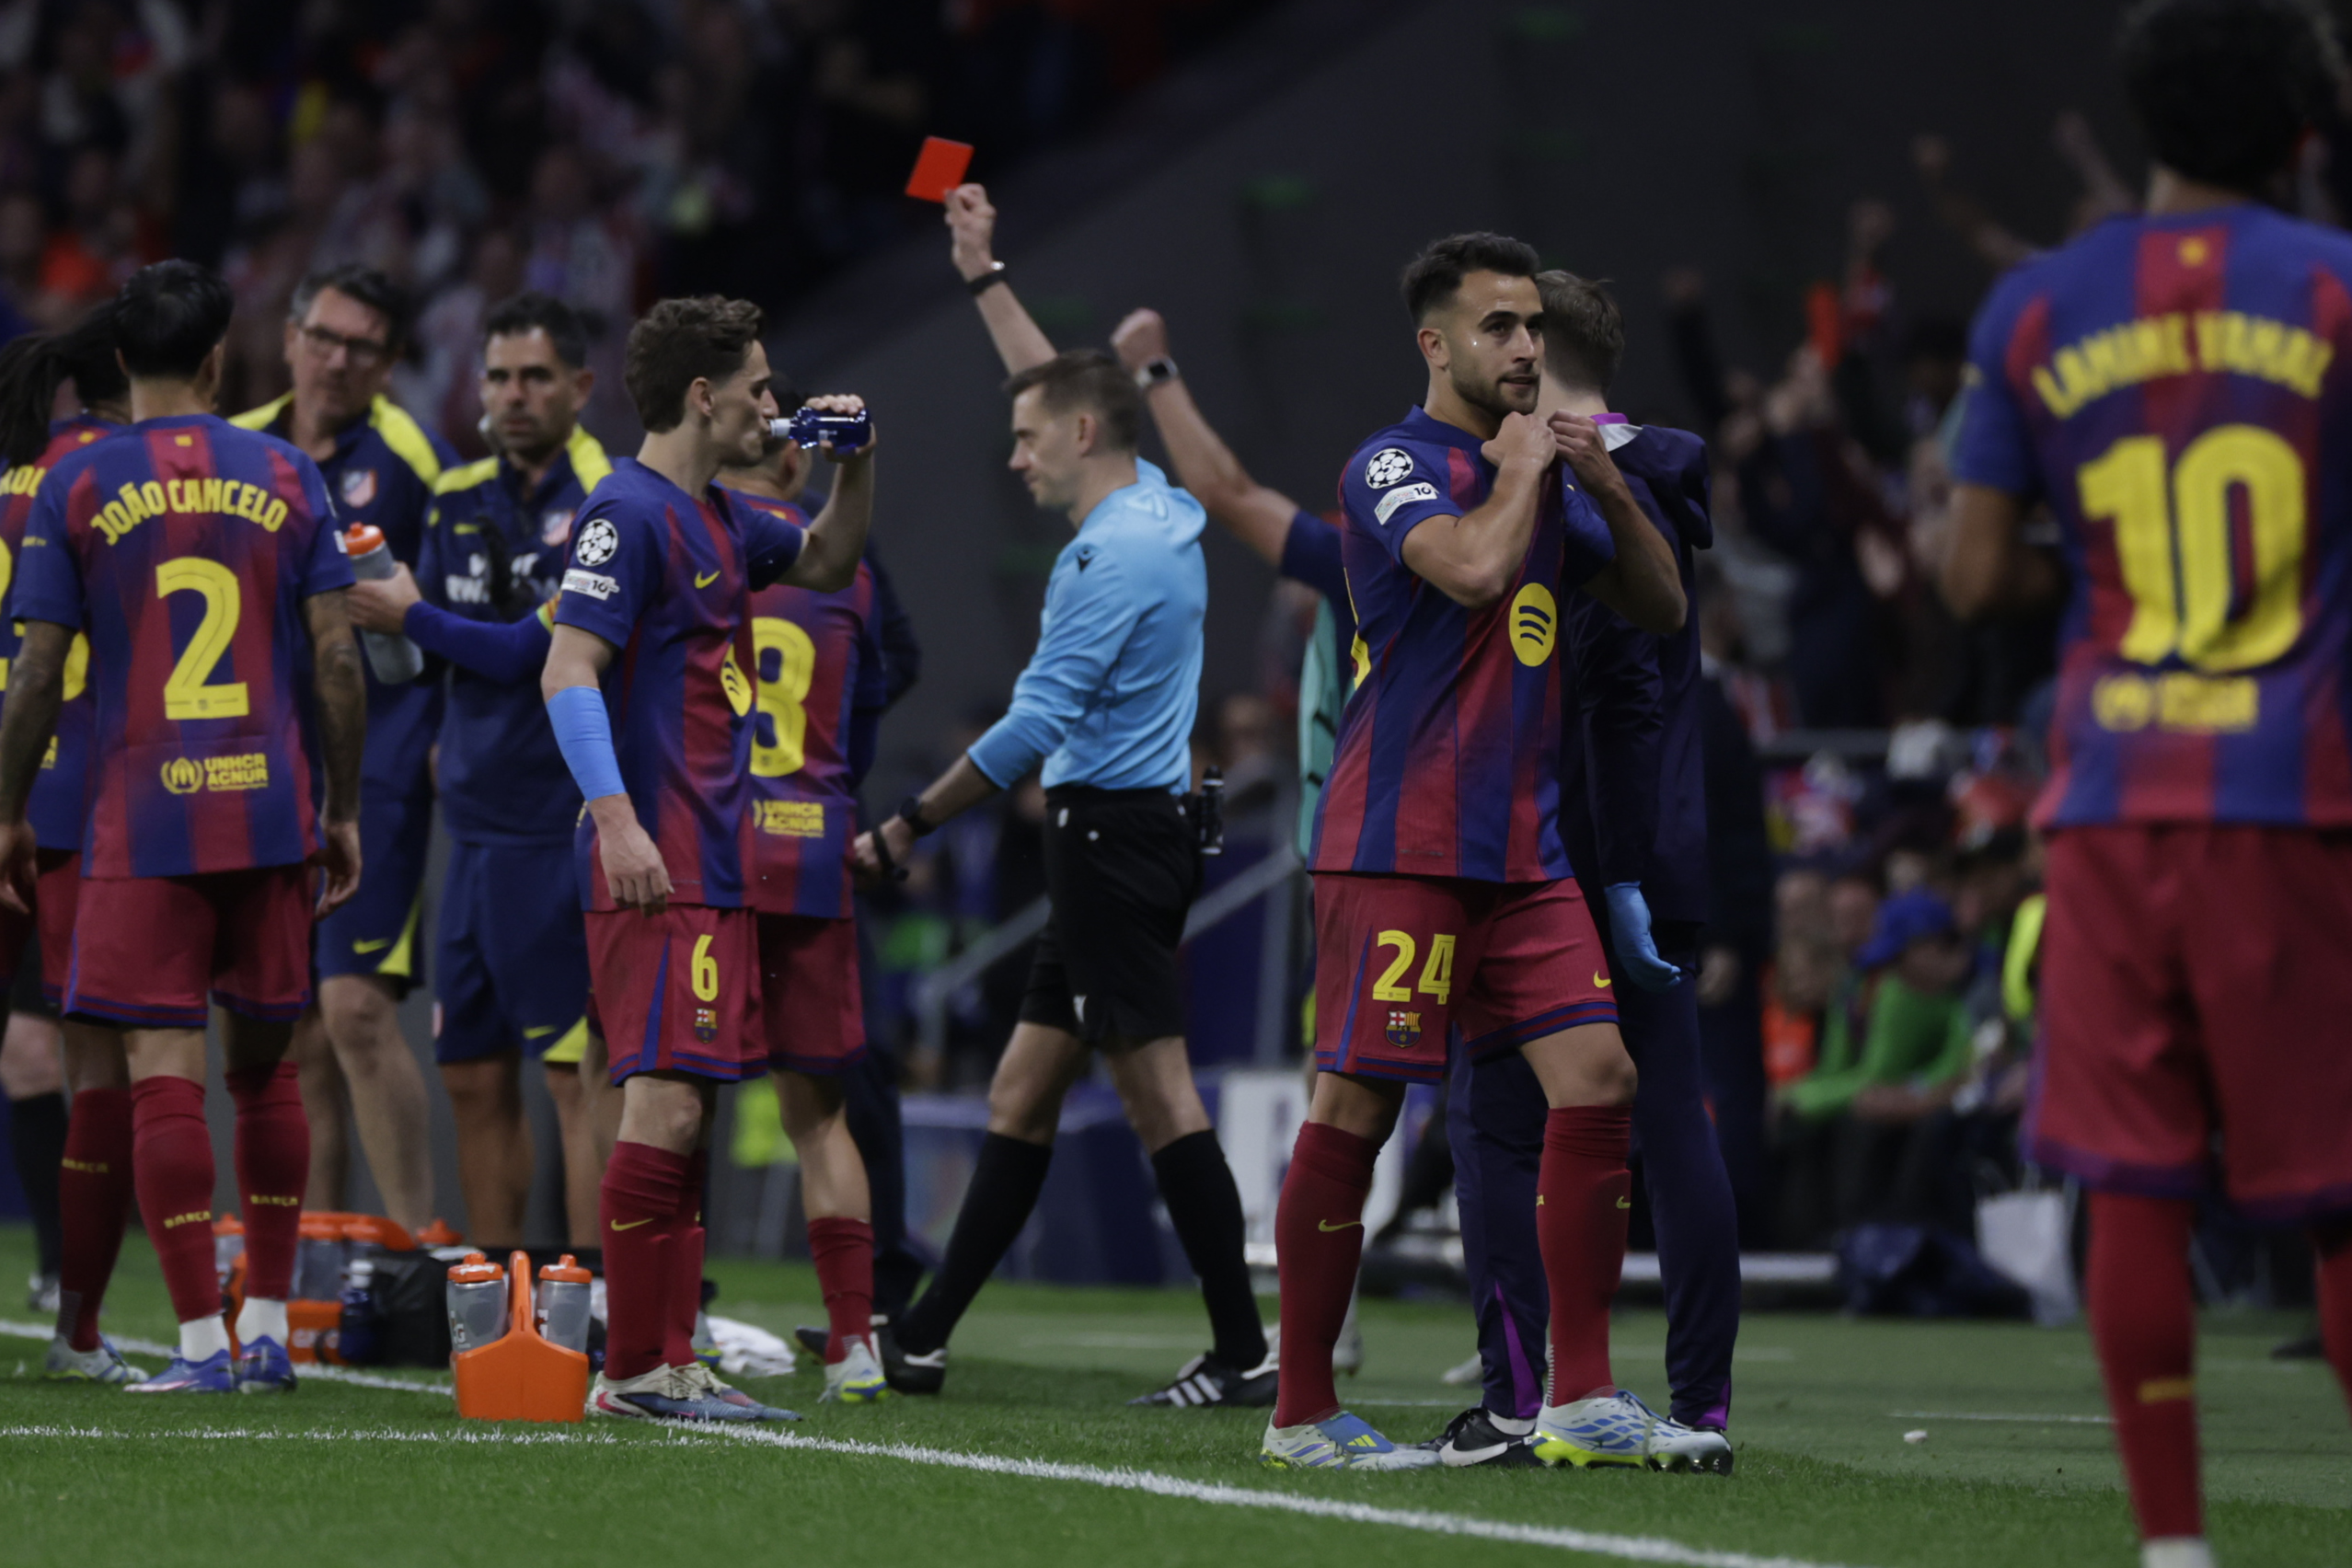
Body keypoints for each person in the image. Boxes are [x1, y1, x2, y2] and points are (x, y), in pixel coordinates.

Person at [1943, 3, 2352, 1561]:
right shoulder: (2333, 289)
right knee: (2336, 1188)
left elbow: (1970, 574)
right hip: (2292, 793)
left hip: (2110, 794)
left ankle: (2171, 1548)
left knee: (2133, 1177)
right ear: (2305, 129)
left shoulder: (2036, 309)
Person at [1260, 231, 1694, 1470]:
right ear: (1435, 344)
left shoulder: (1548, 482)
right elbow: (1469, 570)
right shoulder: (1392, 465)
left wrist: (1604, 488)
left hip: (1525, 851)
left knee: (1600, 1080)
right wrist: (1519, 470)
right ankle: (1300, 1412)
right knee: (1357, 1106)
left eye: (1532, 329)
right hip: (1401, 840)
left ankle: (1584, 1398)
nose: (1523, 349)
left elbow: (1659, 608)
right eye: (1499, 327)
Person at [850, 184, 1268, 1410]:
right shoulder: (1149, 507)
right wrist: (984, 276)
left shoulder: (1111, 555)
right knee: (1021, 1092)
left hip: (1112, 843)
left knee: (1159, 1095)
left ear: (1084, 436)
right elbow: (1067, 388)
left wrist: (907, 823)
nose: (1017, 453)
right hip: (1121, 838)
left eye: (1031, 440)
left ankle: (1246, 1352)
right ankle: (921, 1337)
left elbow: (1032, 726)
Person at [0, 259, 365, 1394]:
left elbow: (43, 674)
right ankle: (265, 1325)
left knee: (157, 1074)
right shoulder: (290, 472)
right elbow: (342, 659)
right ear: (221, 358)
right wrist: (341, 809)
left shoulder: (79, 483)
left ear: (119, 359)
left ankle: (198, 1346)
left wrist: (8, 811)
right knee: (265, 1076)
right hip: (268, 808)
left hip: (139, 815)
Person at [1426, 271, 1741, 1470]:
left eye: (1511, 328)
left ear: (1533, 346)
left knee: (1495, 1120)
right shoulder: (1662, 462)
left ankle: (1526, 1395)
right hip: (1661, 843)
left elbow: (1605, 690)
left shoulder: (1544, 475)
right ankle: (1698, 1399)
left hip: (1555, 850)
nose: (1497, 346)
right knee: (1669, 1114)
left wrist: (1599, 868)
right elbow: (1664, 682)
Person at [542, 294, 870, 1423]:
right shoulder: (624, 514)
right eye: (761, 387)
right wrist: (619, 820)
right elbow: (567, 670)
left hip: (716, 864)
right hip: (658, 858)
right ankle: (633, 1370)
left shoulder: (724, 517)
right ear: (704, 394)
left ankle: (670, 1360)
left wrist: (857, 462)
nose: (772, 405)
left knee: (693, 1119)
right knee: (665, 1110)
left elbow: (829, 556)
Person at [345, 291, 611, 1251]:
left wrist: (407, 615)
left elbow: (521, 654)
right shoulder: (455, 498)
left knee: (575, 1080)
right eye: (498, 376)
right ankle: (501, 1303)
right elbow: (425, 661)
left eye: (536, 376)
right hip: (473, 827)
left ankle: (594, 1304)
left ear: (582, 386)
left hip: (564, 826)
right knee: (471, 1068)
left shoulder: (608, 503)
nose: (513, 395)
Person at [233, 263, 445, 1235]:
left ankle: (412, 1253)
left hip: (384, 761)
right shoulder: (237, 449)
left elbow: (451, 618)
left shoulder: (416, 460)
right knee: (292, 1027)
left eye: (362, 346)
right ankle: (310, 1267)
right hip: (260, 761)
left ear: (392, 362)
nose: (336, 359)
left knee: (357, 1011)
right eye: (323, 336)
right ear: (289, 336)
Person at [717, 405, 893, 1401]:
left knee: (668, 1100)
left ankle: (663, 1329)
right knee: (821, 1120)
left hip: (717, 852)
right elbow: (865, 720)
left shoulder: (693, 552)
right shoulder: (850, 576)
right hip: (815, 850)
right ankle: (855, 1346)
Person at [0, 310, 136, 1378]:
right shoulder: (127, 490)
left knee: (34, 1050)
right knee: (94, 1059)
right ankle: (72, 1321)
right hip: (73, 803)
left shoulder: (13, 481)